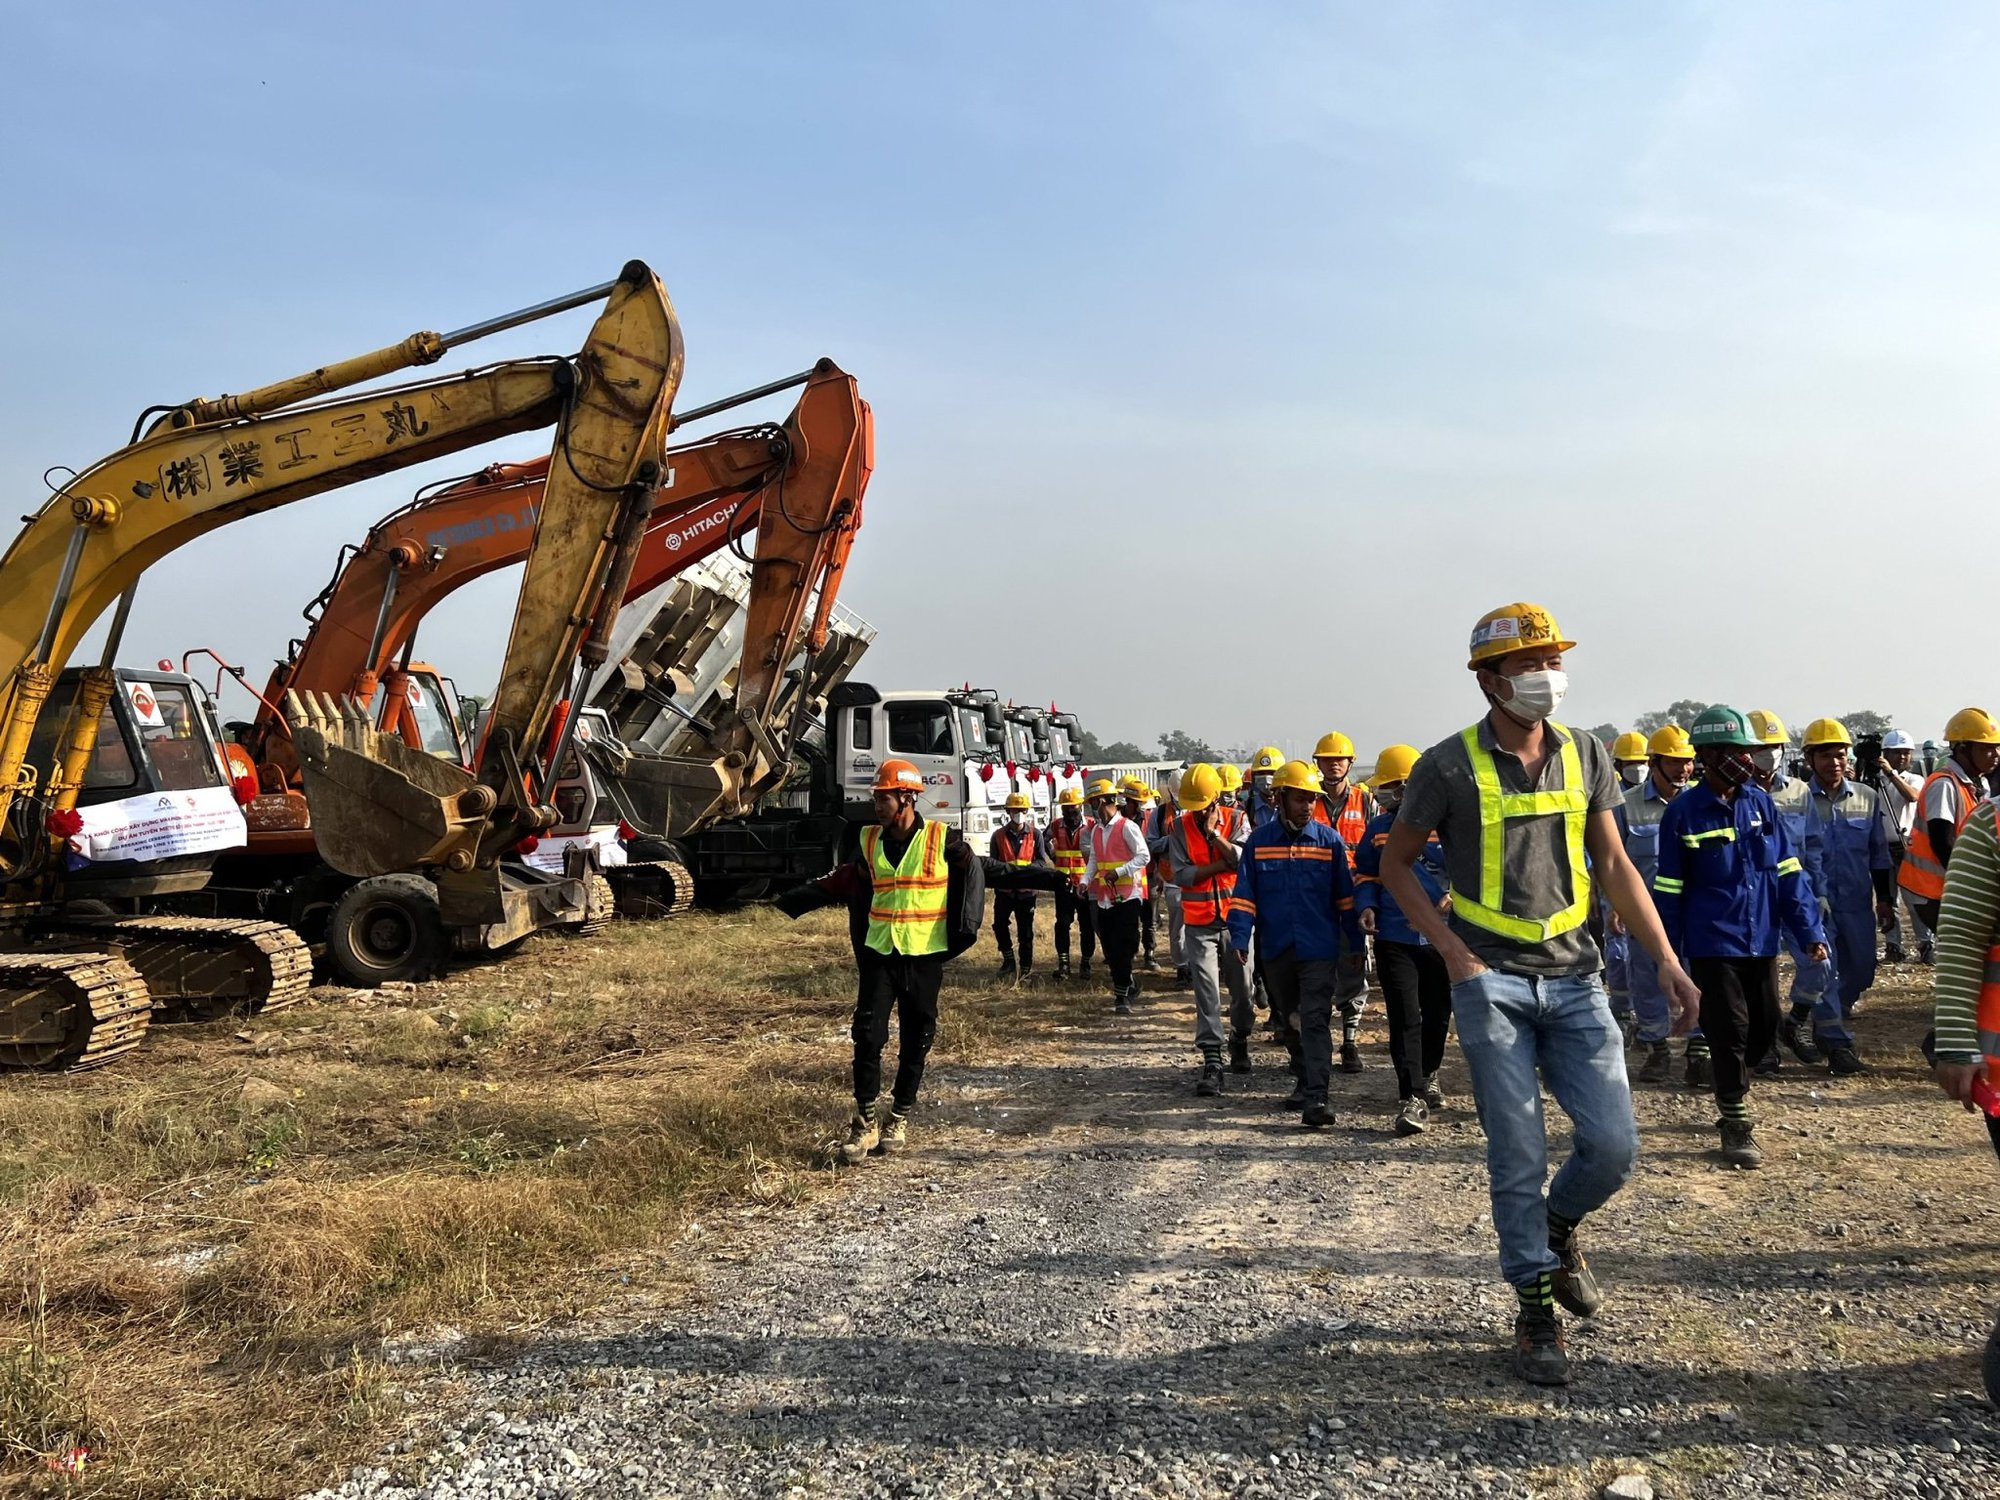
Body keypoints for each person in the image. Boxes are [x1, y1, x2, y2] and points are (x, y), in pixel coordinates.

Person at [1381, 602, 1699, 1389]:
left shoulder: (1587, 752)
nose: (1547, 676)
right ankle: (1533, 1310)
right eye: (1529, 664)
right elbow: (1395, 866)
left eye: (1551, 659)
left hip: (1578, 978)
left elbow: (1617, 865)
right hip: (1490, 985)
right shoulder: (1445, 766)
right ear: (1490, 680)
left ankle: (1559, 1230)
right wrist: (1453, 952)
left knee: (1614, 1145)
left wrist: (1664, 956)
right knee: (1517, 1153)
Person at [773, 759, 1063, 1163]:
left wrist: (1050, 878)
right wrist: (793, 899)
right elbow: (844, 880)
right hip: (880, 951)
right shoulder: (869, 840)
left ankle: (899, 1116)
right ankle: (865, 1123)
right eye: (876, 796)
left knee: (916, 1039)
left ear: (907, 798)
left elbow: (989, 871)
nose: (877, 804)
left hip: (924, 956)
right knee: (868, 1036)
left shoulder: (944, 841)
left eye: (884, 797)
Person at [1651, 707, 1828, 1170]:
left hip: (1762, 937)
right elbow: (1668, 888)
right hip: (1712, 941)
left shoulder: (1760, 803)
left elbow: (1788, 869)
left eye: (1746, 751)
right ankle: (1735, 1120)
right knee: (1731, 1028)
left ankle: (1730, 1080)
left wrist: (1809, 930)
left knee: (1765, 1025)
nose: (1745, 760)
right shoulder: (1683, 813)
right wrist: (1666, 953)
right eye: (1733, 752)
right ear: (1707, 756)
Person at [1226, 759, 1365, 1127]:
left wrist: (1356, 945)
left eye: (1311, 800)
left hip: (1319, 949)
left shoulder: (1329, 842)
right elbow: (1244, 895)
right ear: (1280, 798)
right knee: (1289, 1020)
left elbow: (1346, 900)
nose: (1307, 806)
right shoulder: (1259, 843)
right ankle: (1304, 1079)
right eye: (1300, 799)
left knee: (1315, 1019)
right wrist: (1240, 936)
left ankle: (1318, 1097)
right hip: (1276, 950)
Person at [1771, 719, 1894, 1075]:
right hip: (1814, 903)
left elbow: (1878, 855)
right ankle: (1836, 1041)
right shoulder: (1799, 799)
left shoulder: (1867, 798)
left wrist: (1885, 899)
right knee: (1827, 967)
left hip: (1857, 903)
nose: (1834, 763)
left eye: (1840, 755)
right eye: (1825, 756)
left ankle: (1817, 1016)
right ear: (1809, 758)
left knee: (1862, 968)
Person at [1353, 743, 1451, 1135]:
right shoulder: (1379, 830)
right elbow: (1365, 874)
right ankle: (1411, 1095)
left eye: (1395, 787)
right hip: (1395, 936)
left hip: (1442, 938)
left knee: (1438, 1013)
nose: (1389, 796)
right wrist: (1367, 904)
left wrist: (1455, 894)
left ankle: (1430, 1072)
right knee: (1405, 1015)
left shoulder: (1447, 827)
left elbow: (1475, 867)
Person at [1612, 724, 1699, 1085]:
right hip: (1646, 910)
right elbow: (1613, 859)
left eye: (1688, 762)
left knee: (1698, 975)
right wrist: (1615, 904)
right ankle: (1657, 1047)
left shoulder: (1700, 802)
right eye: (1675, 761)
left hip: (1693, 909)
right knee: (1646, 978)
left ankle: (1698, 1050)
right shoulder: (1626, 806)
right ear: (1655, 762)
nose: (1683, 769)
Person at [1169, 763, 1252, 1094]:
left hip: (1237, 920)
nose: (1196, 812)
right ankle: (1212, 1061)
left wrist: (1216, 835)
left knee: (1243, 991)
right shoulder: (1179, 827)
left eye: (1201, 805)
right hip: (1199, 922)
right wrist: (1220, 863)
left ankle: (1240, 1038)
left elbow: (1243, 859)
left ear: (1216, 799)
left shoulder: (1237, 820)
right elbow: (1182, 875)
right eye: (1191, 806)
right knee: (1207, 992)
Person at [1898, 709, 2000, 958]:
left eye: (1997, 747)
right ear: (1963, 749)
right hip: (1931, 889)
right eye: (1987, 748)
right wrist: (1973, 885)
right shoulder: (1944, 785)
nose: (1996, 755)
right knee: (1972, 950)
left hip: (1947, 885)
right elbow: (1943, 842)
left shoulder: (1976, 784)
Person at [1311, 731, 1378, 1072]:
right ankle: (1315, 1043)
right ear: (1317, 763)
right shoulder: (1308, 800)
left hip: (1354, 900)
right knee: (1317, 971)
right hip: (1316, 903)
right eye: (1327, 758)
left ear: (1351, 763)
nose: (1334, 763)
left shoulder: (1366, 802)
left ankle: (1349, 1042)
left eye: (1340, 758)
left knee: (1354, 970)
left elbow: (1378, 849)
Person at [1085, 777, 1151, 1015]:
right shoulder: (1096, 831)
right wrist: (1085, 881)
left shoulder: (1127, 827)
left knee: (1124, 946)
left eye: (1093, 802)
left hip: (1128, 897)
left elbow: (1144, 856)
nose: (1092, 807)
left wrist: (1120, 871)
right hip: (1105, 898)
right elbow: (1094, 859)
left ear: (1103, 801)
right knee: (1111, 948)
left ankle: (1121, 996)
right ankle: (1127, 984)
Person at [1863, 729, 1924, 961]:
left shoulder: (1915, 778)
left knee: (1914, 899)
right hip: (1882, 846)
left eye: (1906, 753)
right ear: (1884, 753)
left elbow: (1912, 796)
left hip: (1906, 845)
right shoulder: (1874, 780)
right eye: (1896, 753)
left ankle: (1925, 943)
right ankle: (1893, 945)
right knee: (1889, 900)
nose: (1902, 758)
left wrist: (1891, 774)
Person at [988, 790, 1051, 981]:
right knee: (999, 926)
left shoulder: (1036, 835)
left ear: (1026, 811)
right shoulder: (998, 836)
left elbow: (1041, 861)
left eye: (1021, 810)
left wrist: (1027, 871)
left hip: (1026, 891)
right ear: (1008, 811)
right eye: (1015, 810)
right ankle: (1008, 960)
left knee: (1026, 933)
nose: (1018, 813)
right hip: (1005, 891)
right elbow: (993, 863)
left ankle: (1025, 969)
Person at [1046, 785, 1096, 981]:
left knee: (1087, 926)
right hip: (1063, 884)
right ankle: (1064, 964)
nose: (1069, 814)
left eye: (1073, 810)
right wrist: (1051, 856)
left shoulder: (1091, 826)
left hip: (1085, 884)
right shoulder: (1055, 825)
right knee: (1063, 924)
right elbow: (1043, 842)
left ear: (1080, 808)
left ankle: (1086, 963)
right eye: (1066, 810)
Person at [1747, 710, 1792, 796]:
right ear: (1746, 749)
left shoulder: (1799, 791)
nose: (1771, 753)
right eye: (1762, 747)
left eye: (1775, 746)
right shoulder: (1735, 792)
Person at [1247, 746, 1286, 831]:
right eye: (1261, 773)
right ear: (1254, 776)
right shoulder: (1247, 808)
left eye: (1272, 773)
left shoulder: (1290, 807)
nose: (1266, 778)